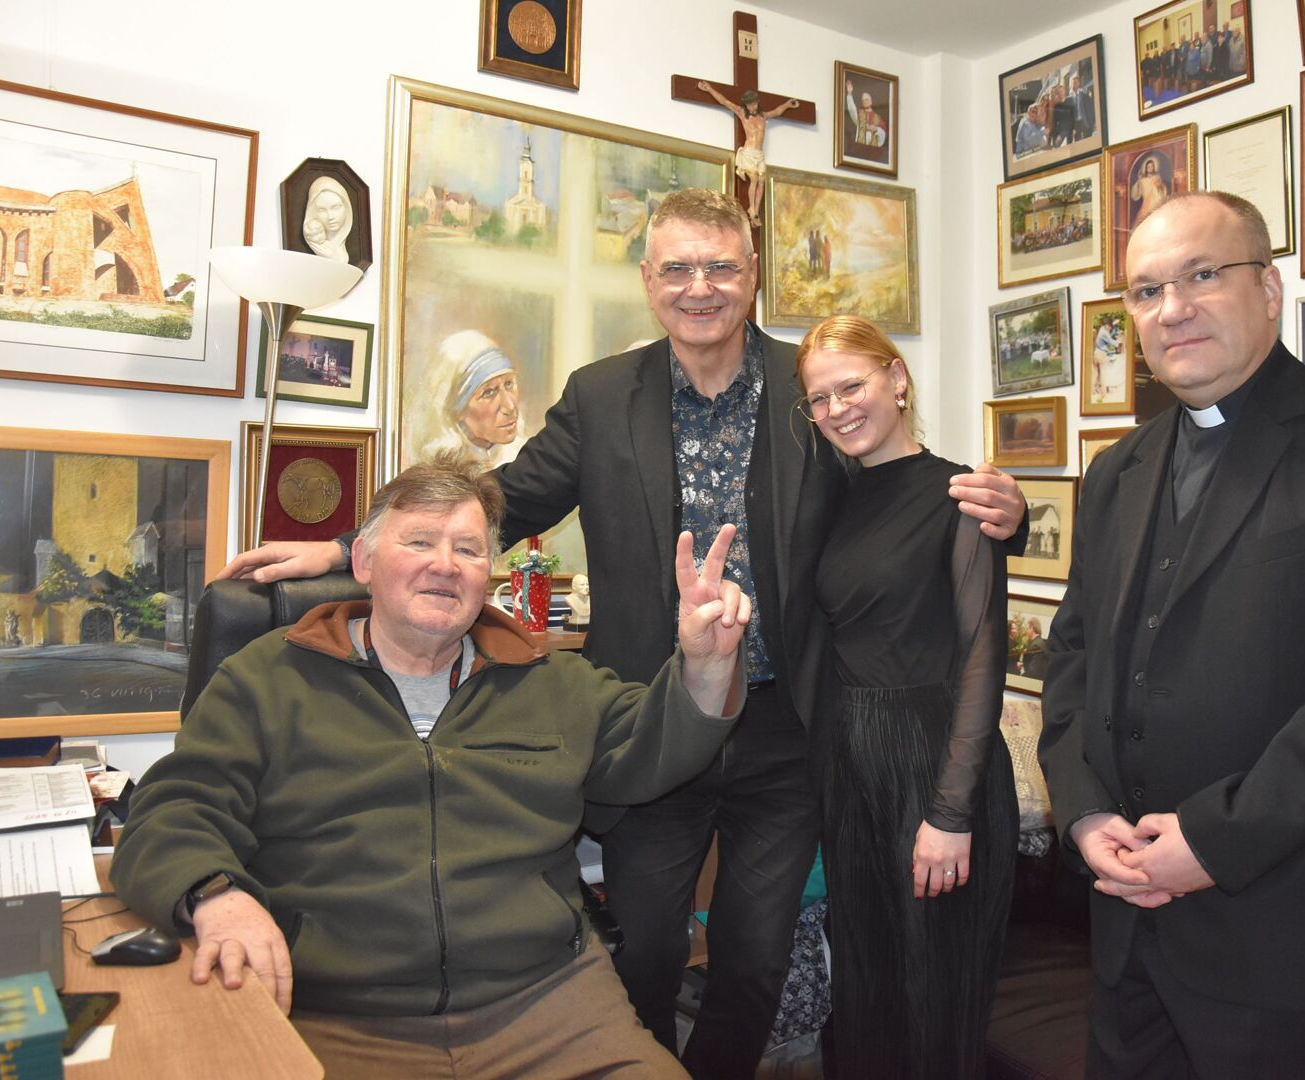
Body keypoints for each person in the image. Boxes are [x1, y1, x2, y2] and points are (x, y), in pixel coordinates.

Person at [213, 188, 1026, 1080]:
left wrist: (1004, 516)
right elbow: (507, 499)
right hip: (652, 722)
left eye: (719, 266)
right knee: (642, 951)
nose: (699, 287)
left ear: (753, 275)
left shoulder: (807, 390)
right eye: (677, 268)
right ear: (647, 279)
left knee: (756, 962)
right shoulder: (601, 397)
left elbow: (894, 498)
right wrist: (346, 548)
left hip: (786, 734)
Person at [111, 454, 755, 1079]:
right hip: (335, 1017)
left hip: (550, 1005)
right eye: (419, 541)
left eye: (468, 549)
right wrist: (216, 897)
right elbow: (173, 807)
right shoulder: (266, 680)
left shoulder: (551, 681)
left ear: (488, 575)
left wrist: (707, 663)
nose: (445, 565)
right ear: (363, 562)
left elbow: (653, 744)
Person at [1038, 192, 1305, 1077]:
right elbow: (1071, 655)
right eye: (1146, 291)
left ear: (1268, 289)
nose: (1172, 308)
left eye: (1201, 275)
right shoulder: (1116, 471)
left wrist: (1213, 842)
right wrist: (1083, 811)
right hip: (1123, 928)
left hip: (1278, 940)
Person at [794, 315, 1016, 1079]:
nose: (837, 409)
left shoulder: (961, 495)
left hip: (936, 763)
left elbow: (984, 655)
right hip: (852, 768)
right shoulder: (833, 497)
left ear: (897, 379)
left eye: (850, 386)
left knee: (936, 1004)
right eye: (818, 399)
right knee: (865, 995)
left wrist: (951, 813)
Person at [410, 329, 527, 467]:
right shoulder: (440, 469)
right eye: (489, 392)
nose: (510, 406)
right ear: (457, 410)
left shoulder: (525, 459)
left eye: (508, 384)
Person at [698, 82, 802, 226]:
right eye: (749, 105)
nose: (752, 107)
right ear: (745, 106)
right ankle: (751, 208)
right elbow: (724, 101)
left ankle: (755, 211)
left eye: (754, 104)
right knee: (753, 179)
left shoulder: (763, 116)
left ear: (757, 103)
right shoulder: (742, 113)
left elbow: (777, 111)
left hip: (759, 154)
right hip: (749, 152)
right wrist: (709, 89)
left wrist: (787, 104)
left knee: (761, 181)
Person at [303, 175, 353, 263]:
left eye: (336, 207)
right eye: (321, 210)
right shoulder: (317, 242)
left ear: (346, 207)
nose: (330, 217)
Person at [843, 79, 887, 148]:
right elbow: (851, 109)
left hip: (873, 149)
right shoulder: (860, 114)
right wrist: (849, 94)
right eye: (863, 100)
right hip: (860, 148)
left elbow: (884, 133)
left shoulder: (878, 118)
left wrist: (876, 129)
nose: (864, 102)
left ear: (871, 102)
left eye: (866, 99)